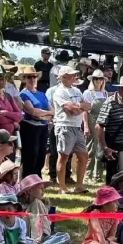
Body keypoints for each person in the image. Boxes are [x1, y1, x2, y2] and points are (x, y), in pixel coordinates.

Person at [52, 65, 91, 194]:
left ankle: (79, 186)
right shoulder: (60, 91)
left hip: (76, 127)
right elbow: (70, 111)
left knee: (84, 156)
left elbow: (88, 105)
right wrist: (81, 107)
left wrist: (78, 107)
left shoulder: (77, 90)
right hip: (65, 126)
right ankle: (62, 187)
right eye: (71, 75)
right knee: (63, 156)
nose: (74, 76)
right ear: (63, 77)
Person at [96, 75, 123, 183]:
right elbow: (99, 126)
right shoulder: (110, 103)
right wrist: (105, 148)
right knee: (115, 182)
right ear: (120, 88)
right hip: (116, 150)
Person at [15, 67, 51, 177]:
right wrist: (45, 114)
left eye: (34, 76)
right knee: (31, 155)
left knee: (41, 154)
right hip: (29, 127)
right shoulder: (23, 94)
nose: (32, 79)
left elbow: (53, 111)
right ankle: (27, 180)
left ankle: (37, 179)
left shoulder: (42, 94)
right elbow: (31, 111)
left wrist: (42, 115)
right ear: (24, 79)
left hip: (43, 127)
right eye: (29, 77)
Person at [81, 69, 111, 187]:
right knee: (91, 149)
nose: (98, 81)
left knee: (101, 148)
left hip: (103, 122)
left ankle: (97, 175)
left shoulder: (105, 93)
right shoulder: (88, 93)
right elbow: (85, 111)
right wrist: (86, 126)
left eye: (100, 79)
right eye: (96, 79)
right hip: (92, 120)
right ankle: (87, 174)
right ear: (93, 80)